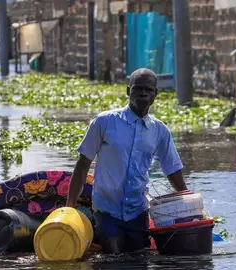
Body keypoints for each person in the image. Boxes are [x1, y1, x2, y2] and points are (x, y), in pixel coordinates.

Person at [65, 68, 188, 254]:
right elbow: (82, 165)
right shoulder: (104, 122)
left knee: (139, 261)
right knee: (114, 257)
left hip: (137, 212)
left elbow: (172, 169)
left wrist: (189, 205)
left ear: (156, 93)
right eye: (138, 88)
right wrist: (69, 206)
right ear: (128, 91)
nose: (143, 93)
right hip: (107, 211)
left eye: (148, 89)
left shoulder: (159, 131)